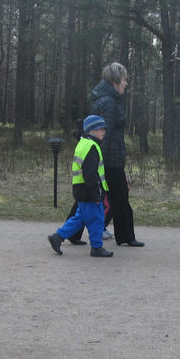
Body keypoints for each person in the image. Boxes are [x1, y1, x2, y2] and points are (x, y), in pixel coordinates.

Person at [91, 62, 143, 247]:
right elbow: (105, 134)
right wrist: (97, 162)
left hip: (109, 158)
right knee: (120, 198)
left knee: (89, 197)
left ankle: (68, 233)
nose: (126, 83)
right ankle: (127, 236)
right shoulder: (109, 103)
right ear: (115, 80)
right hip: (110, 160)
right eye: (124, 79)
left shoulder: (106, 100)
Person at [48, 115, 113, 258]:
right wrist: (96, 195)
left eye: (104, 128)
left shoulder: (83, 143)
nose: (104, 131)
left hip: (81, 190)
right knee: (96, 219)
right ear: (92, 130)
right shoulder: (91, 147)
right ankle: (96, 247)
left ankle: (57, 237)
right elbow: (91, 174)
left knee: (80, 218)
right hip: (89, 192)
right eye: (101, 128)